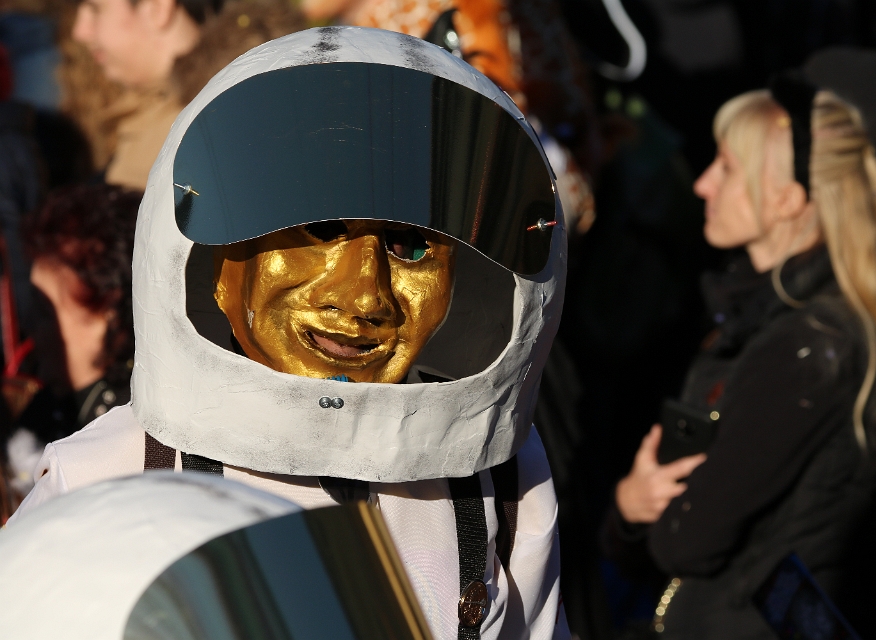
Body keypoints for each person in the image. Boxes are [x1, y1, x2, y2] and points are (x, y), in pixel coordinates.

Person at [10, 27, 568, 639]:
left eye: (410, 248)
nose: (364, 297)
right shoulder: (105, 476)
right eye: (321, 231)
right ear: (221, 266)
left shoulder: (498, 480)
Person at [605, 78, 876, 638]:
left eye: (727, 168)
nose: (702, 183)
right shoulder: (773, 313)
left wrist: (633, 507)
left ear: (786, 199)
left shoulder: (806, 347)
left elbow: (691, 540)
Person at [67, 0, 302, 189]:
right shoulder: (154, 113)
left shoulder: (224, 127)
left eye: (95, 9)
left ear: (158, 7)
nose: (80, 32)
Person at [2, 184, 140, 507]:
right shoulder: (48, 407)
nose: (32, 326)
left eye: (45, 310)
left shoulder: (136, 430)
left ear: (108, 311)